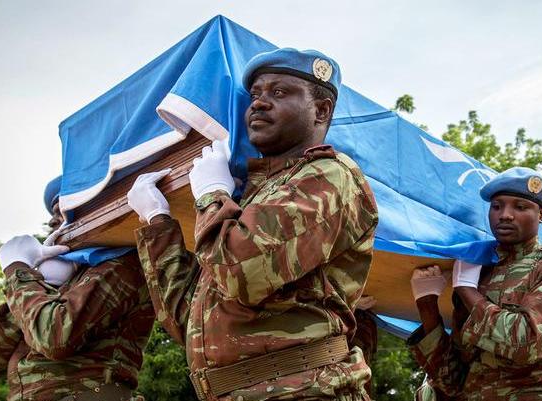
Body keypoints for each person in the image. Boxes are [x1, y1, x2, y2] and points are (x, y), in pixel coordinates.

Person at [127, 48, 379, 400]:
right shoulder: (246, 204)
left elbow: (240, 272)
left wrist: (212, 196)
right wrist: (157, 222)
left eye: (278, 93)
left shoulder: (331, 176)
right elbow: (187, 322)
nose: (258, 103)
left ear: (321, 111)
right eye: (255, 95)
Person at [408, 167, 542, 400]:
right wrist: (427, 304)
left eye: (520, 206)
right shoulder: (481, 270)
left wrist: (466, 290)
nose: (505, 215)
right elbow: (452, 381)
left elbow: (527, 343)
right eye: (496, 206)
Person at [0, 177, 155, 401]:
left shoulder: (121, 262)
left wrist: (17, 271)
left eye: (64, 209)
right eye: (54, 213)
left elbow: (55, 338)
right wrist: (43, 283)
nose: (52, 222)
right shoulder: (50, 278)